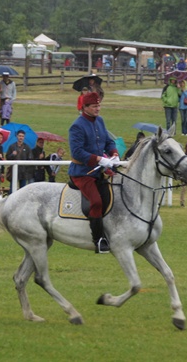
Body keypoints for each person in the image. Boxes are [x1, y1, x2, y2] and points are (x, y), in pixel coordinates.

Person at [68, 91, 119, 253]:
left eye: (99, 105)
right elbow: (77, 152)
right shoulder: (76, 126)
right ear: (85, 107)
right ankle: (98, 240)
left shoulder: (100, 121)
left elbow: (109, 141)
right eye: (95, 106)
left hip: (99, 172)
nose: (98, 108)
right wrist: (99, 159)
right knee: (96, 202)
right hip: (82, 173)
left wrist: (114, 153)